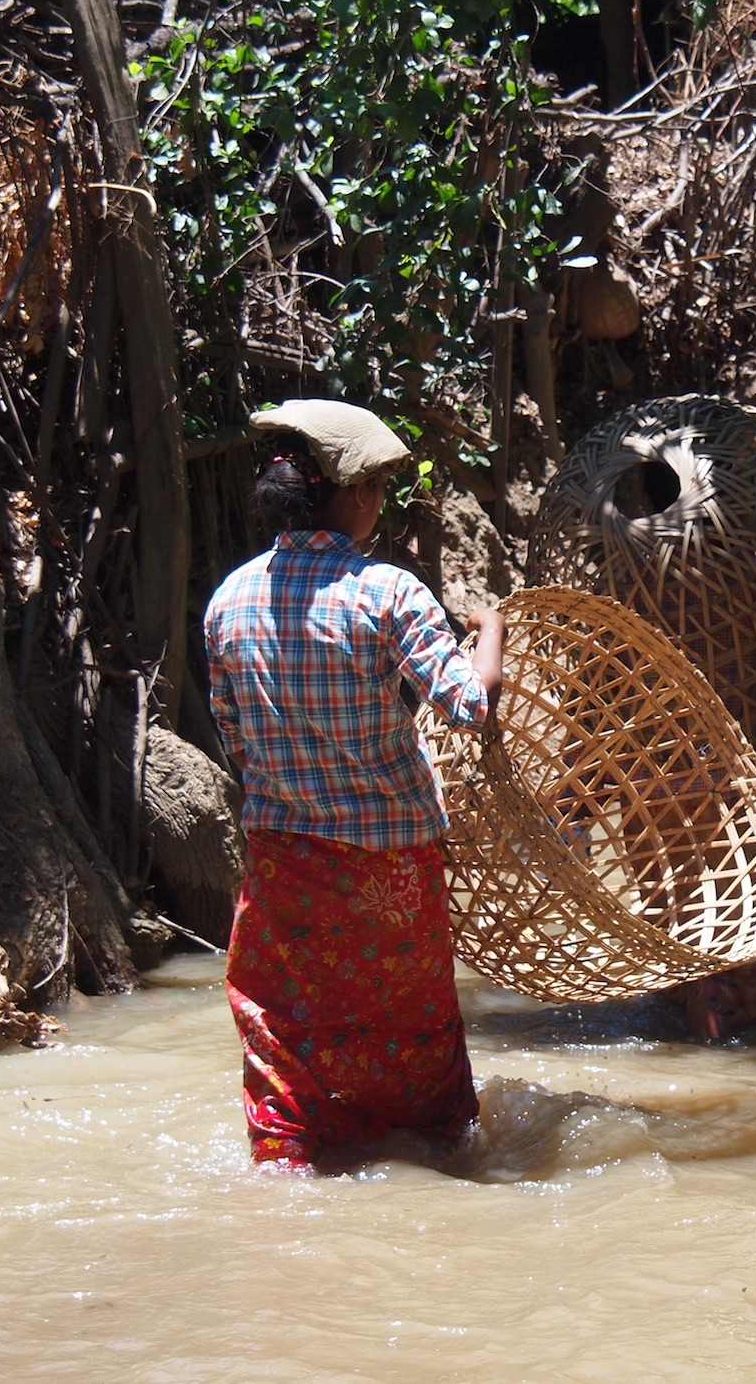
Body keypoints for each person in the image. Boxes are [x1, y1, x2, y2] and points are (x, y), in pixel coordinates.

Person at [204, 398, 506, 1172]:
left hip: (285, 858)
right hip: (389, 864)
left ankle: (288, 1162)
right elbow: (470, 707)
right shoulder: (388, 592)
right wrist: (491, 629)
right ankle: (441, 1155)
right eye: (372, 485)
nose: (377, 500)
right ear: (345, 496)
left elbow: (234, 735)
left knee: (284, 1018)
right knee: (411, 1022)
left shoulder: (228, 599)